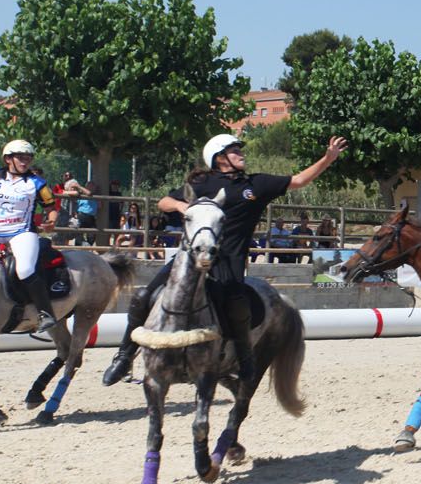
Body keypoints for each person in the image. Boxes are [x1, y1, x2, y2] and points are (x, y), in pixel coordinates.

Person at [102, 132, 347, 385]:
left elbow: (298, 180)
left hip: (229, 261)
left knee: (237, 305)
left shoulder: (256, 184)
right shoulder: (203, 183)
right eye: (234, 151)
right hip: (189, 259)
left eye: (239, 151)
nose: (241, 154)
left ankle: (244, 359)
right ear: (219, 158)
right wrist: (180, 206)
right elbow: (164, 201)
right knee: (143, 296)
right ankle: (124, 355)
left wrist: (328, 159)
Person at [0, 140, 60, 330]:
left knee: (25, 269)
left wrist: (52, 220)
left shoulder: (37, 183)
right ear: (8, 158)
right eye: (21, 158)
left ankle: (45, 313)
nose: (26, 162)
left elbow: (51, 206)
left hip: (22, 232)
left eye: (29, 158)